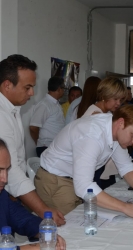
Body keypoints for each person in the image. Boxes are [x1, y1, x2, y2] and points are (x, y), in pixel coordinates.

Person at [34, 105, 133, 216]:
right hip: (55, 181)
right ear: (121, 123)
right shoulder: (92, 135)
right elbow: (83, 186)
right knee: (73, 230)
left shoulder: (114, 129)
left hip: (71, 180)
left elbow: (126, 167)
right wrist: (125, 208)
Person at [0, 54, 65, 226]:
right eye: (27, 87)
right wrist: (43, 210)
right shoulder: (1, 115)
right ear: (7, 85)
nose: (32, 93)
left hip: (11, 193)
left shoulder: (12, 109)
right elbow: (11, 170)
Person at [0, 139, 66, 250]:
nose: (5, 179)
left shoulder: (2, 196)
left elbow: (24, 219)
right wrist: (30, 248)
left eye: (7, 170)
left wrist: (46, 234)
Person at [82, 76, 127, 190]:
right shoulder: (97, 115)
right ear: (104, 95)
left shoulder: (103, 113)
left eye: (120, 100)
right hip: (92, 166)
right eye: (115, 99)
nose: (118, 103)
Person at [29, 76, 65, 157]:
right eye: (63, 89)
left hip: (55, 147)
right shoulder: (44, 105)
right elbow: (33, 127)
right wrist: (38, 142)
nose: (64, 91)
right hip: (46, 147)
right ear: (59, 89)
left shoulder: (55, 104)